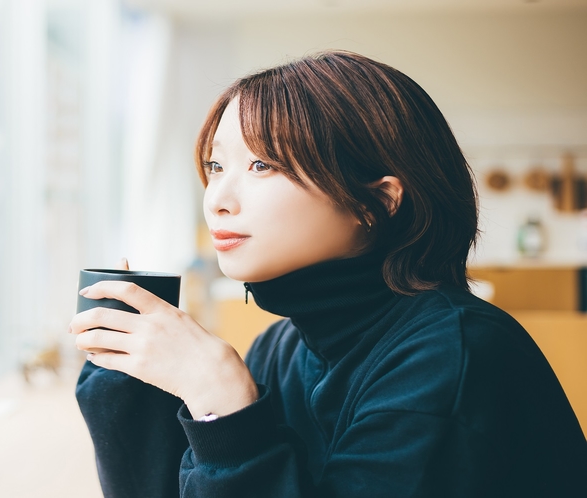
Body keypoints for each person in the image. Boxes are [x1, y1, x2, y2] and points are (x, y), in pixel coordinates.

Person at [69, 51, 587, 497]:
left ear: (377, 202)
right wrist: (124, 378)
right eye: (217, 165)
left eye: (263, 165)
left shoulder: (454, 355)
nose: (217, 201)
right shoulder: (282, 345)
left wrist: (224, 405)